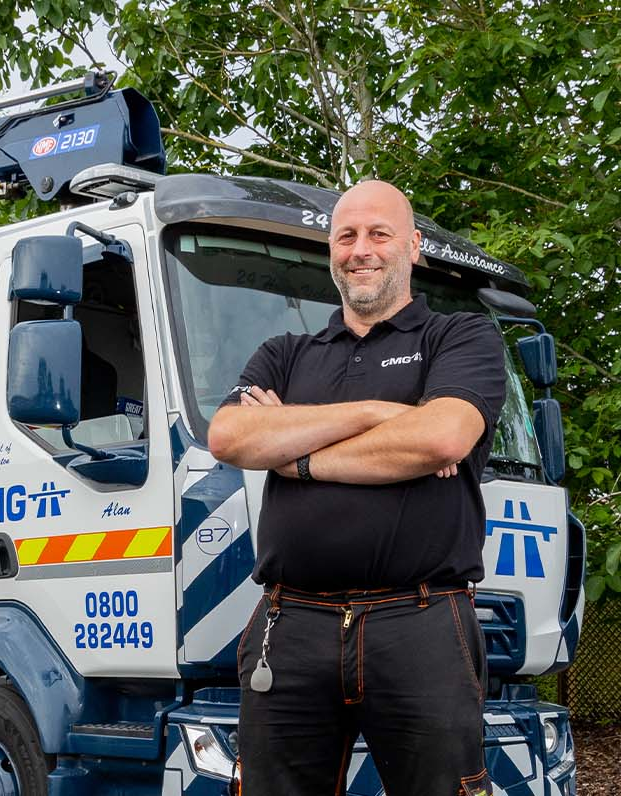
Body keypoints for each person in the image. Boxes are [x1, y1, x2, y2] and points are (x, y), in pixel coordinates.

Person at [208, 180, 505, 796]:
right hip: (290, 627)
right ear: (331, 251)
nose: (360, 249)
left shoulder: (459, 337)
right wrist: (379, 413)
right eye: (346, 235)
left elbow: (444, 437)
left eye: (379, 233)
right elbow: (232, 436)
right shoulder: (285, 353)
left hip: (420, 622)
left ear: (414, 247)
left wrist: (298, 456)